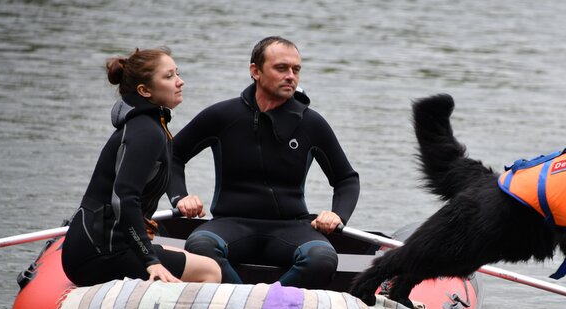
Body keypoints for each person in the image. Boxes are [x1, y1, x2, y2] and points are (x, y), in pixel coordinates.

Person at [172, 36, 360, 289]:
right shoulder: (223, 116)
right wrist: (179, 197)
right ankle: (245, 303)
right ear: (255, 71)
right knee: (199, 246)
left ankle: (267, 303)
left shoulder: (311, 124)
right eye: (281, 68)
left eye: (296, 69)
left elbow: (346, 179)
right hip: (230, 224)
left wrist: (338, 214)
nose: (291, 76)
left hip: (291, 228)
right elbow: (171, 156)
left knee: (322, 258)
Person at [62, 47, 222, 286]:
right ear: (144, 90)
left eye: (177, 73)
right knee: (209, 271)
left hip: (100, 245)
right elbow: (124, 199)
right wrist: (150, 260)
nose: (180, 82)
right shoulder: (146, 132)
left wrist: (179, 197)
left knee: (191, 257)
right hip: (101, 253)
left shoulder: (149, 124)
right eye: (169, 76)